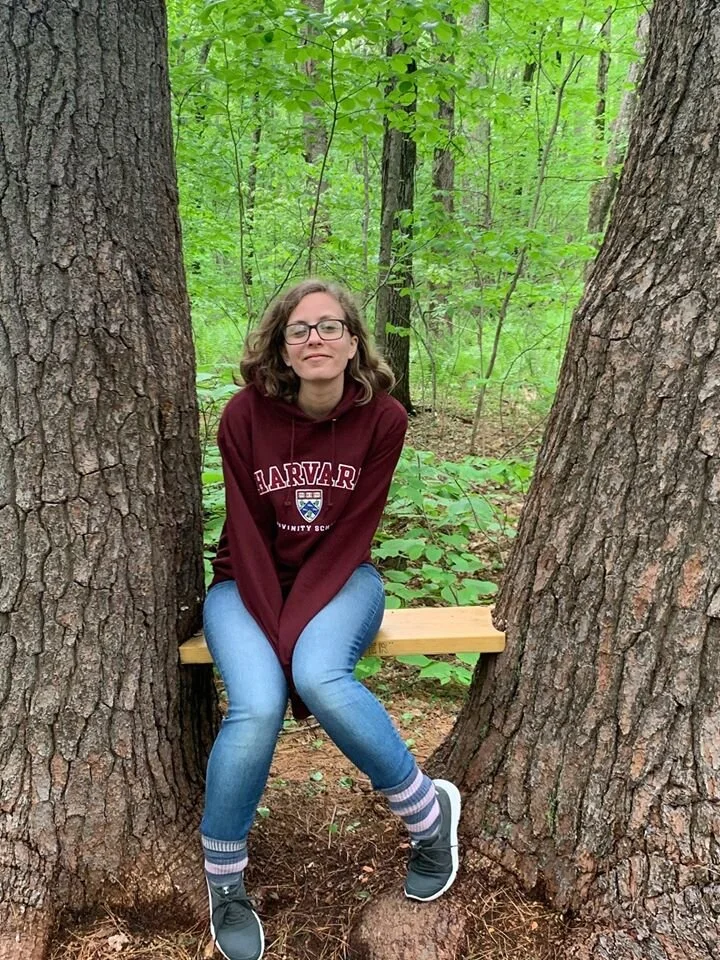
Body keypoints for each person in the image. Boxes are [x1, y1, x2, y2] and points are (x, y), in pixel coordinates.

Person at [200, 279, 461, 960]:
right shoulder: (243, 416)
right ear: (282, 348)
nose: (315, 339)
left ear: (353, 343)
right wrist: (273, 623)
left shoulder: (384, 421)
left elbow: (351, 535)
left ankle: (431, 820)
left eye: (331, 326)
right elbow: (249, 537)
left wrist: (291, 639)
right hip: (246, 584)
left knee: (318, 673)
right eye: (300, 329)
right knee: (255, 707)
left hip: (344, 577)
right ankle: (225, 883)